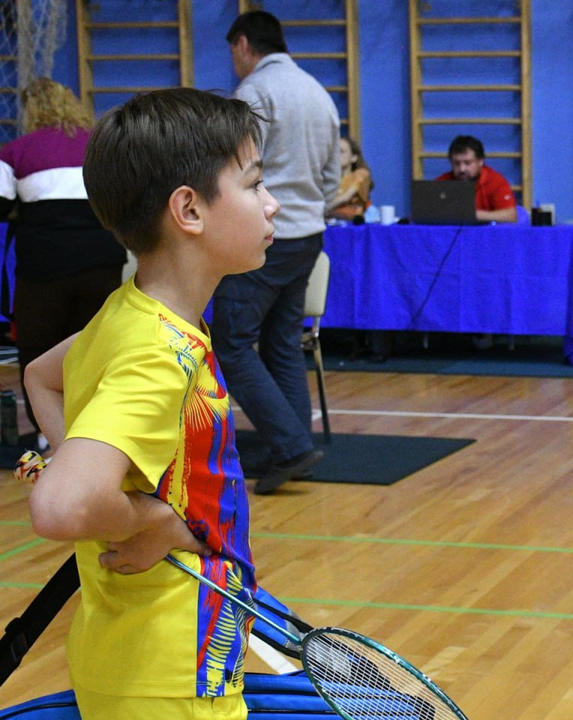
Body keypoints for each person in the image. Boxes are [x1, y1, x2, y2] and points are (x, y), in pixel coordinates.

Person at [24, 87, 278, 719]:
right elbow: (61, 505)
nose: (271, 205)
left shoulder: (130, 314)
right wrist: (150, 521)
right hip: (171, 675)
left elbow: (40, 377)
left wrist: (107, 482)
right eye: (253, 185)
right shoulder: (157, 353)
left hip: (138, 653)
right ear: (189, 210)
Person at [216, 10, 340, 494]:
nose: (233, 62)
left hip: (267, 234)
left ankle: (288, 445)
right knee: (283, 344)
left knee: (230, 342)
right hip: (309, 232)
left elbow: (238, 171)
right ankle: (296, 446)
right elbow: (332, 178)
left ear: (244, 44)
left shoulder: (255, 94)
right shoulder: (318, 93)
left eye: (232, 52)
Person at [0, 78, 126, 449]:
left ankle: (48, 436)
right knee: (94, 349)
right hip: (103, 261)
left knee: (39, 352)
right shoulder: (101, 146)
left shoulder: (16, 151)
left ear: (32, 111)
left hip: (45, 268)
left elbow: (1, 206)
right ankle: (98, 435)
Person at [435, 135, 517, 223]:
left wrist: (472, 214)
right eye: (456, 163)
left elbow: (511, 216)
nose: (462, 169)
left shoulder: (495, 181)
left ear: (480, 161)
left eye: (468, 163)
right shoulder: (442, 181)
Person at [327, 136, 373, 221]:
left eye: (341, 151)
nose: (336, 156)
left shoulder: (361, 174)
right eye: (334, 152)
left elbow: (345, 197)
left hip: (351, 226)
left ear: (353, 157)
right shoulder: (326, 178)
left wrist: (321, 209)